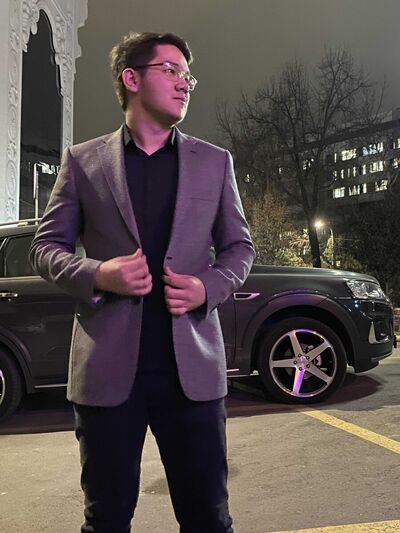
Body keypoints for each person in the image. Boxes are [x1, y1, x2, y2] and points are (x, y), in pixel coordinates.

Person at [30, 31, 255, 533]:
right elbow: (45, 248)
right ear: (131, 79)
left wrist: (208, 287)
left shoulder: (215, 162)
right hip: (108, 376)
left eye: (188, 75)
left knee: (209, 519)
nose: (184, 83)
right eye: (170, 70)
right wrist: (99, 274)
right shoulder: (83, 162)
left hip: (192, 375)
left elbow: (240, 249)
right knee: (106, 520)